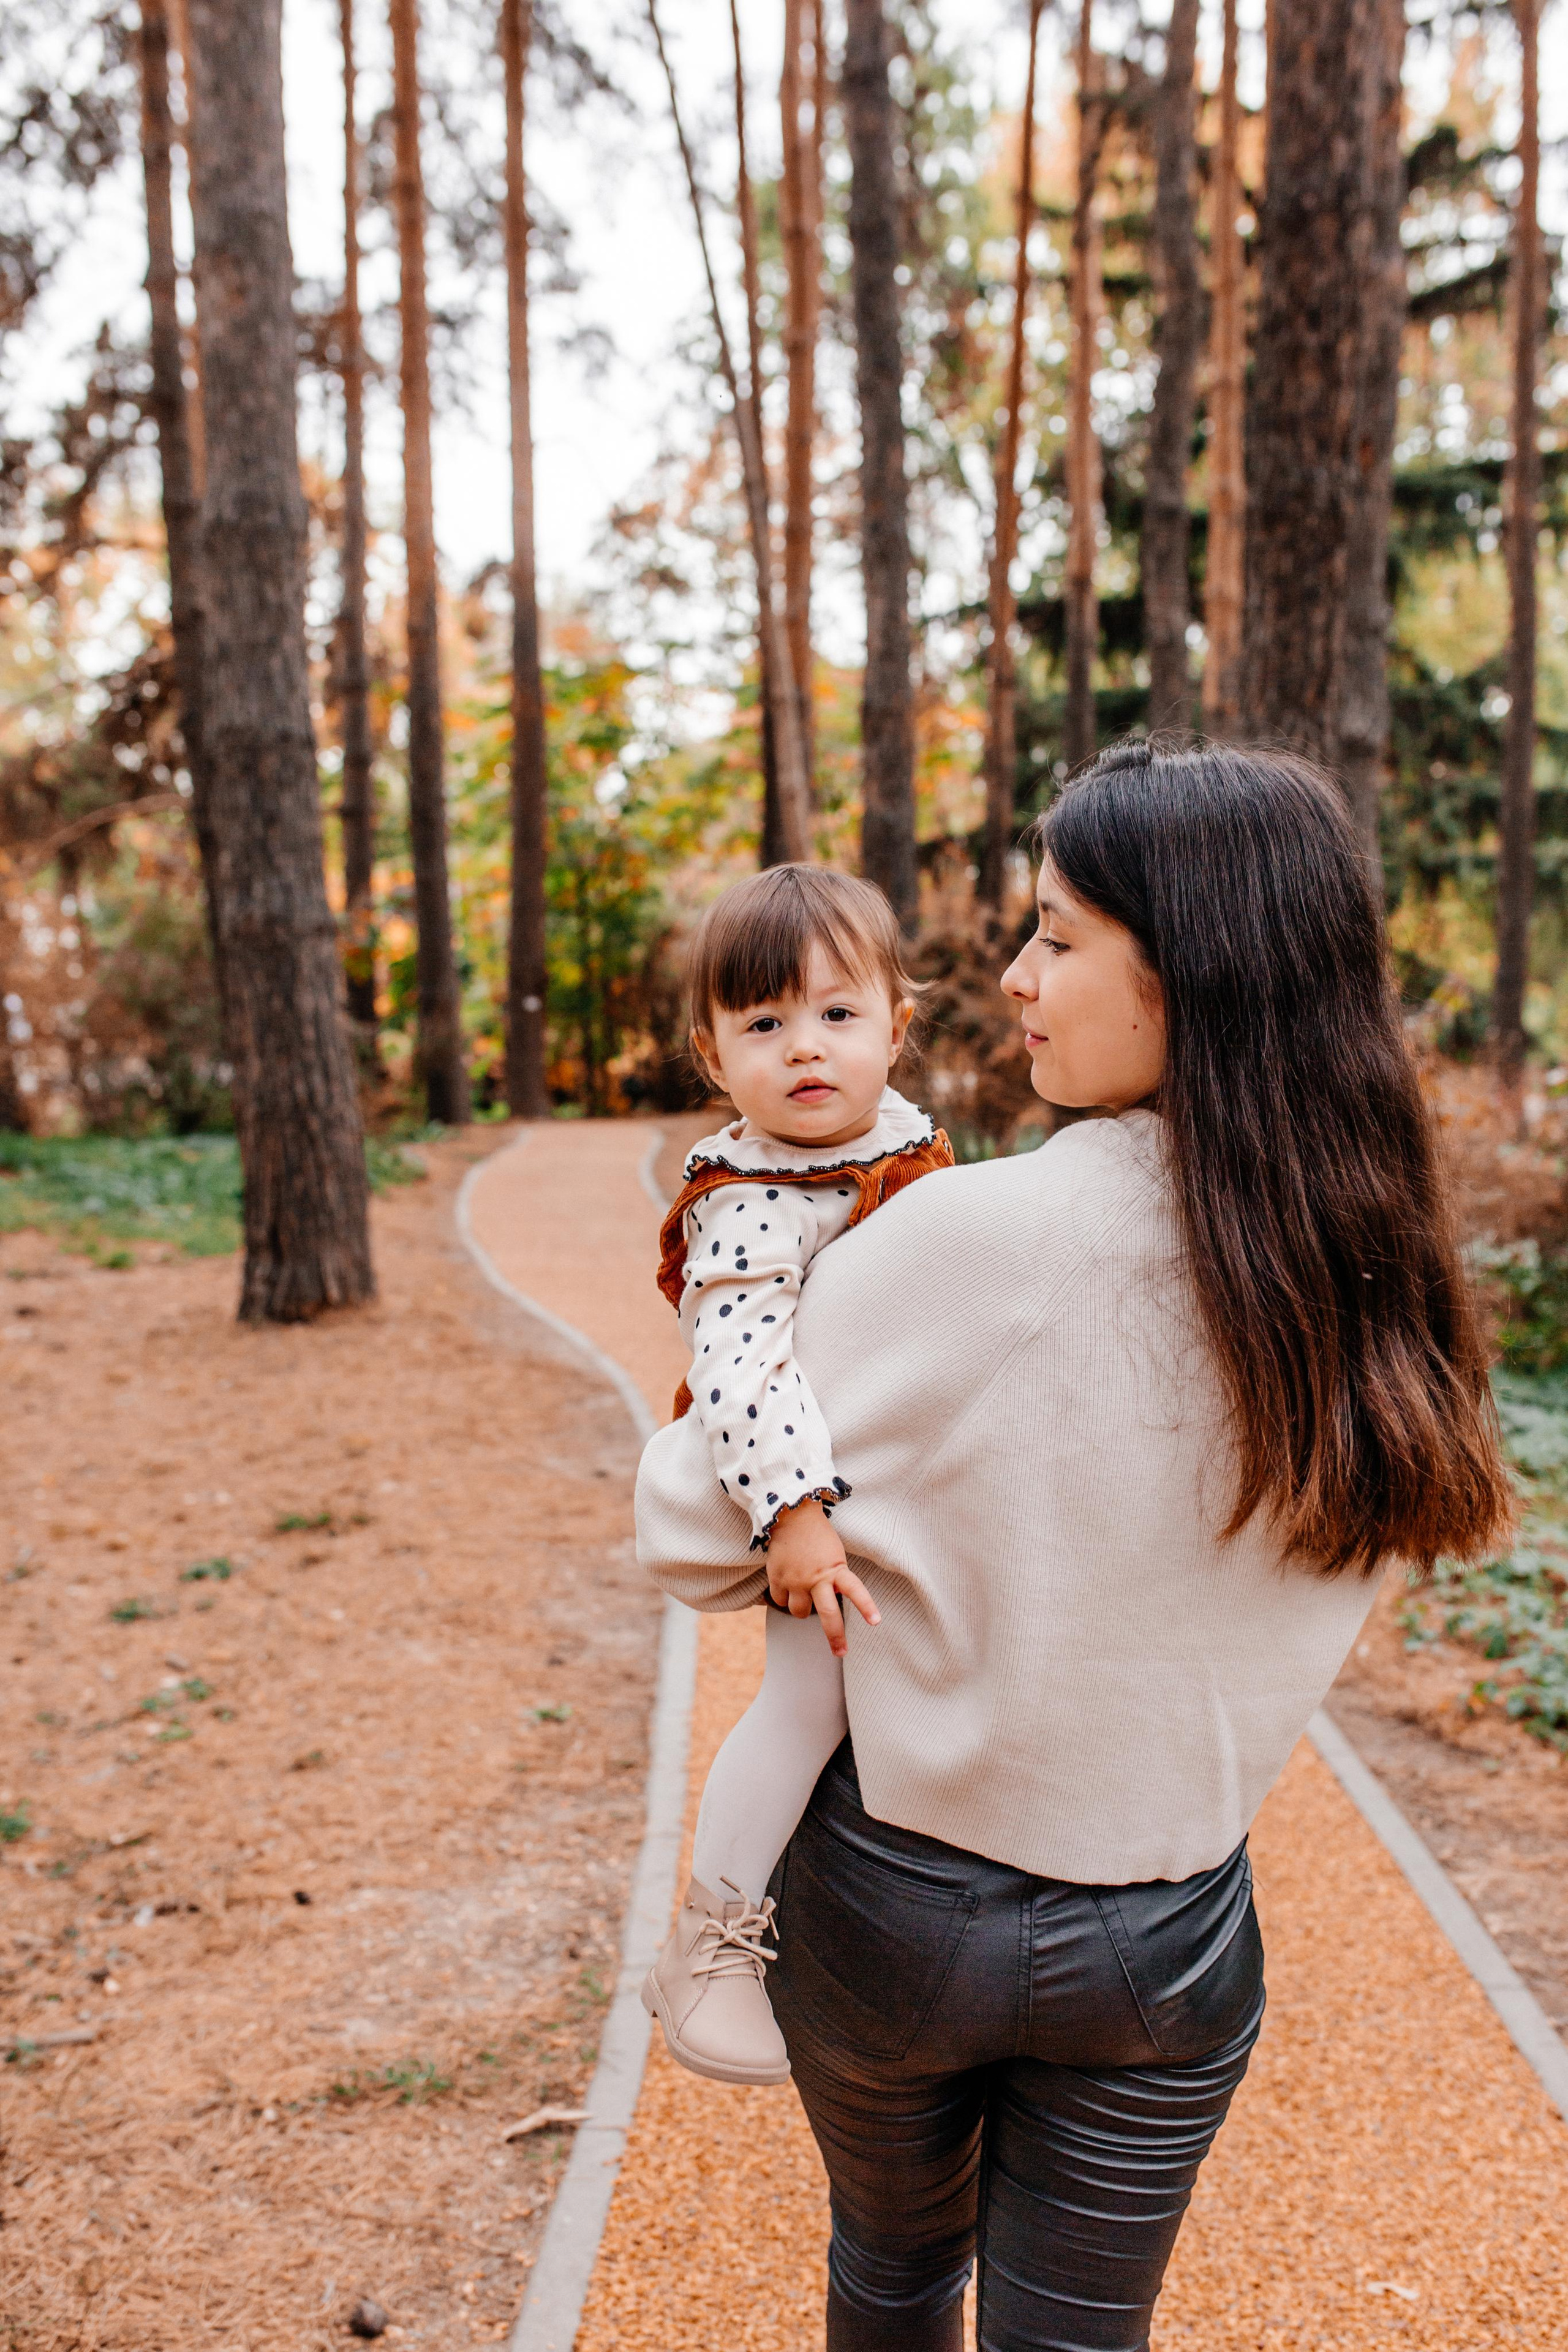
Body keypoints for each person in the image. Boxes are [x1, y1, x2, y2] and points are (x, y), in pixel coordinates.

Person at [636, 741, 1512, 2352]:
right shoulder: (1381, 1272)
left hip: (898, 1900)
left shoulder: (968, 1236)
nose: (1018, 976)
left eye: (1055, 933)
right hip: (1171, 1932)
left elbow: (691, 1528)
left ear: (1183, 964)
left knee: (895, 2279)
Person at [641, 864, 954, 2087]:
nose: (804, 1049)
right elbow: (738, 1362)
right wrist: (792, 1512)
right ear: (712, 1056)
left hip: (903, 1478)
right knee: (806, 1702)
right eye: (763, 1025)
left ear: (895, 1026)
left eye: (835, 1015)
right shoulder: (752, 1199)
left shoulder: (906, 1144)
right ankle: (710, 1939)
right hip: (802, 1496)